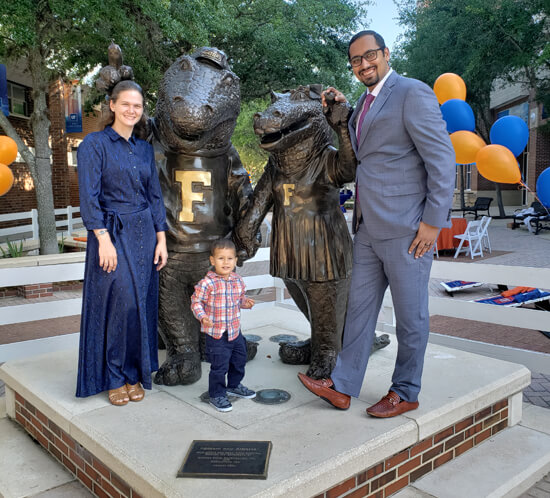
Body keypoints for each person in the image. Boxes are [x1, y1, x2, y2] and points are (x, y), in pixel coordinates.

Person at [298, 30, 455, 418]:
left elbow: (442, 160)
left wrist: (433, 224)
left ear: (386, 54)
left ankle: (405, 391)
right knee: (358, 311)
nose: (364, 64)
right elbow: (366, 153)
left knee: (410, 316)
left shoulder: (412, 93)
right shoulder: (365, 103)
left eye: (370, 56)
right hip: (367, 227)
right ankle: (343, 384)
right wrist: (342, 113)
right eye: (356, 60)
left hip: (407, 229)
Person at [76, 80, 168, 406]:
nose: (132, 110)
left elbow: (154, 197)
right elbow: (88, 198)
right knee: (121, 302)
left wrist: (161, 238)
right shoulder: (94, 144)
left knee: (140, 305)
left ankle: (133, 373)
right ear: (112, 105)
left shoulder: (144, 149)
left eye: (138, 106)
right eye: (126, 104)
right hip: (111, 232)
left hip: (145, 232)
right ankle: (114, 375)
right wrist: (102, 238)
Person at [191, 239, 256, 412]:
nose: (226, 262)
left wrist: (245, 303)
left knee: (239, 360)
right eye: (221, 258)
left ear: (235, 261)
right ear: (212, 260)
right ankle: (217, 394)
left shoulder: (238, 281)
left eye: (229, 258)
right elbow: (196, 302)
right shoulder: (207, 283)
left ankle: (234, 385)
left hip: (235, 332)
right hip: (217, 335)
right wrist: (202, 317)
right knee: (219, 366)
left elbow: (239, 300)